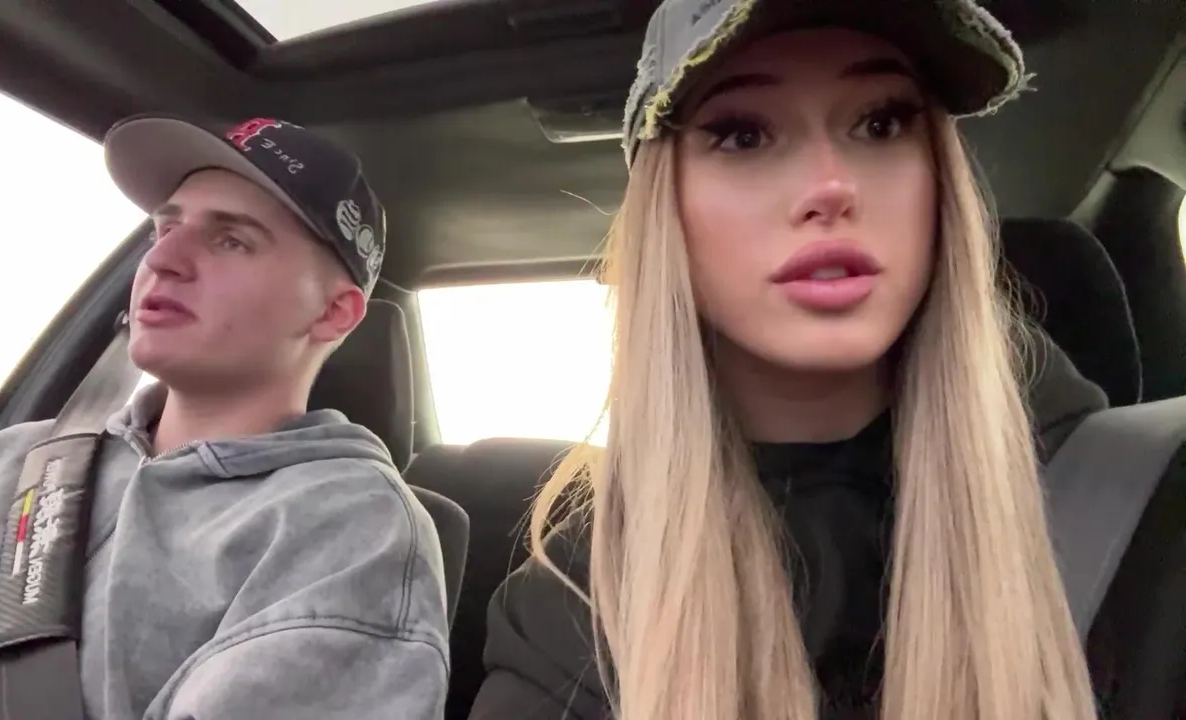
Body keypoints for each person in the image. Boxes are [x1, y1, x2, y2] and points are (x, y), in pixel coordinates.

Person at [472, 2, 1183, 719]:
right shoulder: (574, 609)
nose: (831, 185)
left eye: (881, 123)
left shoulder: (1145, 509)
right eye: (744, 134)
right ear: (667, 214)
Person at [0, 115, 447, 719]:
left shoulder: (349, 533)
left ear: (332, 313)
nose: (162, 258)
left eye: (231, 240)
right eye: (164, 229)